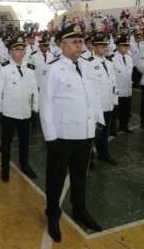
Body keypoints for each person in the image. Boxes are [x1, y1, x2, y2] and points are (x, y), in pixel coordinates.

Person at [40, 24, 104, 239]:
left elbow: (92, 97)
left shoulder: (86, 66)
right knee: (56, 178)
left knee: (80, 176)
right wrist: (50, 137)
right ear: (62, 45)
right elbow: (46, 104)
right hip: (62, 136)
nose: (80, 45)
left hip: (84, 134)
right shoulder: (53, 69)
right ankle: (52, 214)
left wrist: (97, 122)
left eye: (80, 41)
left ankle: (80, 209)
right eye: (74, 42)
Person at [0, 37, 39, 182]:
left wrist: (35, 109)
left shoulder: (30, 68)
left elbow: (35, 91)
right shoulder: (5, 69)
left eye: (22, 49)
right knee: (6, 143)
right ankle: (5, 168)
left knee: (24, 142)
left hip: (25, 111)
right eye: (17, 49)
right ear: (10, 51)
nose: (20, 52)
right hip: (9, 112)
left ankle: (24, 164)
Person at [84, 35, 118, 165]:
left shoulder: (109, 63)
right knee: (93, 132)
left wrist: (115, 101)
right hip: (96, 105)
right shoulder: (88, 63)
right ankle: (89, 156)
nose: (104, 48)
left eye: (105, 46)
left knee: (104, 132)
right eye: (101, 46)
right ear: (95, 47)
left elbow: (113, 83)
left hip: (108, 103)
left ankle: (104, 153)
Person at [112, 36, 134, 133]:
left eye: (127, 46)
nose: (126, 47)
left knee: (126, 110)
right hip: (118, 90)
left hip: (127, 89)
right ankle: (112, 129)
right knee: (115, 111)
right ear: (117, 46)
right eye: (123, 45)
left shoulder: (129, 58)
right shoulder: (112, 58)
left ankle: (123, 126)